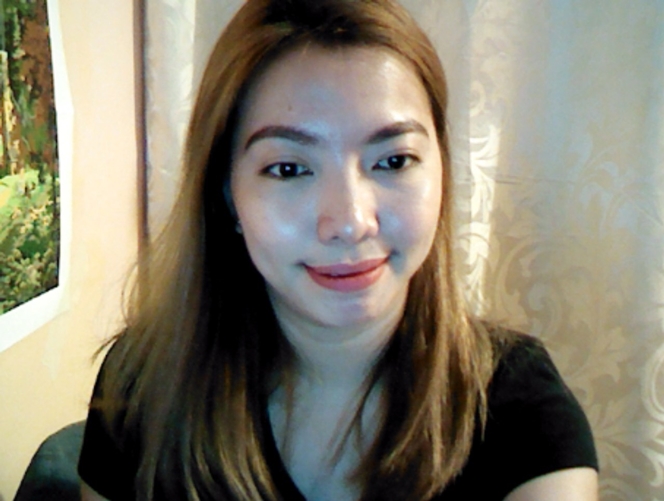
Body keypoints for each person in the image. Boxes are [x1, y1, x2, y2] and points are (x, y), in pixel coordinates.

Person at [78, 0, 599, 499]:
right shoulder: (143, 386)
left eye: (393, 161)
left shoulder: (520, 405)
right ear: (227, 195)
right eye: (289, 169)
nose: (350, 222)